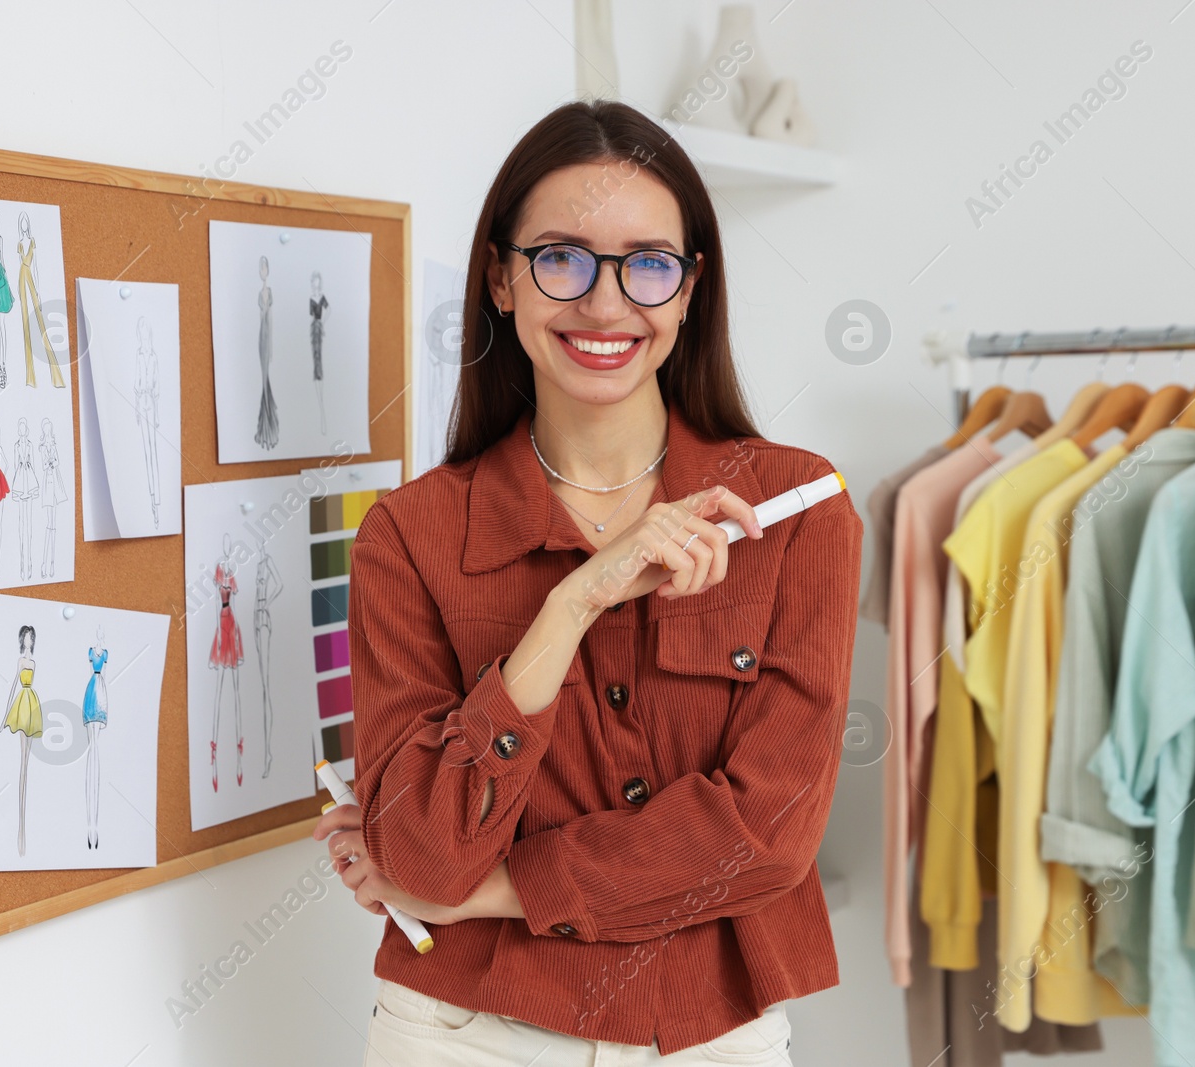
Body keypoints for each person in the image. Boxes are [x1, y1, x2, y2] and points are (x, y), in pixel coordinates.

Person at [312, 100, 862, 1066]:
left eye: (649, 263)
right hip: (463, 1036)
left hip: (711, 1034)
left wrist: (493, 888)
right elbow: (426, 852)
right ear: (501, 279)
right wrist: (573, 603)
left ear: (691, 289)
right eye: (561, 257)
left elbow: (768, 834)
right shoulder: (409, 536)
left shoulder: (794, 510)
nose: (606, 304)